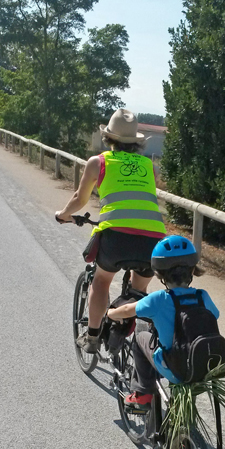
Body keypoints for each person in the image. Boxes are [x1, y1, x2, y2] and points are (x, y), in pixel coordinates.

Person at [55, 109, 166, 354]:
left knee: (101, 281)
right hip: (154, 238)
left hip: (117, 235)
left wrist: (63, 214)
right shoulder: (149, 166)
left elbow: (80, 198)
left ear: (108, 137)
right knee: (138, 290)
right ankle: (122, 329)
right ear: (136, 141)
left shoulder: (99, 162)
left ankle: (93, 337)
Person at [107, 235, 220, 408]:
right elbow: (215, 315)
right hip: (202, 366)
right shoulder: (202, 296)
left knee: (140, 337)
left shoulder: (159, 299)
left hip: (172, 366)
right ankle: (182, 406)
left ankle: (143, 391)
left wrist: (111, 313)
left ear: (159, 273)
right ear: (192, 270)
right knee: (186, 348)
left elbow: (128, 310)